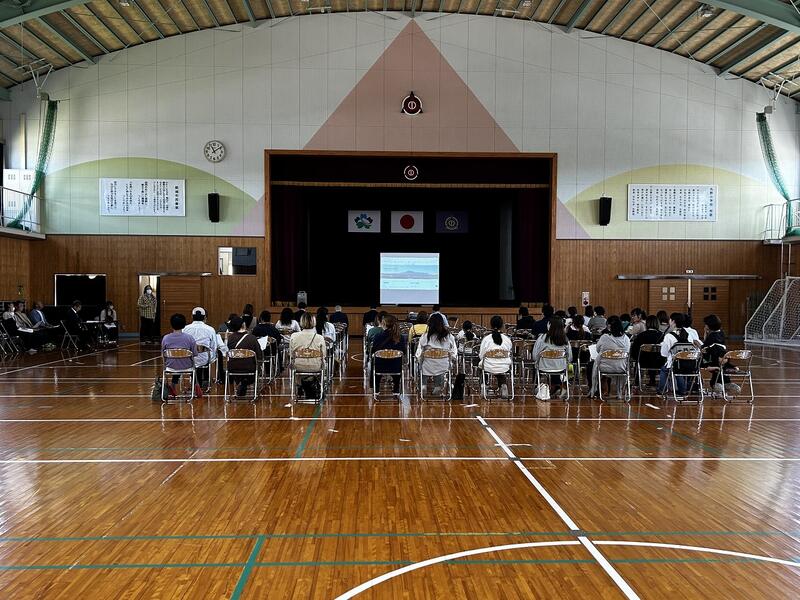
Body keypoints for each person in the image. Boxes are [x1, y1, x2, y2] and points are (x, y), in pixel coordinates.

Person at [415, 313, 458, 396]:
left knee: (423, 364)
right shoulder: (449, 336)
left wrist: (419, 359)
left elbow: (419, 352)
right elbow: (454, 352)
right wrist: (452, 358)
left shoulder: (425, 336)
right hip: (444, 365)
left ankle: (423, 385)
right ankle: (438, 387)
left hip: (428, 365)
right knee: (440, 367)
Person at [161, 313, 201, 398]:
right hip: (187, 366)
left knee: (177, 363)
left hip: (170, 366)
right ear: (184, 325)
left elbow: (163, 354)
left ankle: (173, 384)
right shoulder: (189, 338)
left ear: (171, 324)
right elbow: (195, 354)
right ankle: (196, 386)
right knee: (190, 366)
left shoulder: (165, 338)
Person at [532, 317, 572, 399]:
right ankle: (559, 386)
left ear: (549, 325)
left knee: (538, 366)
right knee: (557, 366)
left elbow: (535, 356)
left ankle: (539, 387)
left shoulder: (542, 338)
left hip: (544, 367)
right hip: (561, 368)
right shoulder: (565, 339)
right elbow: (570, 357)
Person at [289, 312, 327, 398]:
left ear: (301, 322)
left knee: (293, 364)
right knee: (324, 364)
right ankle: (315, 384)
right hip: (316, 366)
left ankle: (299, 385)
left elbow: (291, 354)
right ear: (314, 322)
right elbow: (324, 355)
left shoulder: (294, 336)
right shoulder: (320, 337)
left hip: (299, 366)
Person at [658, 312, 696, 398]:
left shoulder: (669, 336)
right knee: (679, 369)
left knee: (664, 369)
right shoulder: (689, 334)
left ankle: (661, 390)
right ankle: (682, 390)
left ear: (673, 321)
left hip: (675, 364)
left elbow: (664, 354)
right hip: (689, 363)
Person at [591, 316, 630, 398]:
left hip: (605, 367)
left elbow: (598, 349)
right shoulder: (626, 339)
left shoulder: (604, 337)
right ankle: (617, 391)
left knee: (591, 365)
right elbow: (628, 351)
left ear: (609, 326)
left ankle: (596, 389)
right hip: (621, 367)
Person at [225, 315, 263, 398]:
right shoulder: (252, 338)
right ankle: (245, 382)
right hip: (249, 368)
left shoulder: (230, 338)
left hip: (233, 368)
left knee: (238, 364)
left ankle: (242, 382)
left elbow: (226, 352)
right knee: (256, 367)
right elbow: (259, 355)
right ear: (243, 325)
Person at [700, 314, 738, 395]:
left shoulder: (712, 336)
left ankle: (715, 384)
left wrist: (705, 335)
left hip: (712, 361)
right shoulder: (721, 333)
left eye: (705, 324)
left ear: (708, 326)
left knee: (701, 361)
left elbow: (704, 348)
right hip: (724, 358)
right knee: (721, 368)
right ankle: (726, 383)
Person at [183, 307, 218, 390]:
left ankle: (196, 381)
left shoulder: (185, 329)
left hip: (189, 358)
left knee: (194, 359)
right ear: (204, 317)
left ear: (192, 316)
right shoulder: (210, 329)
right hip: (205, 358)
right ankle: (205, 379)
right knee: (209, 355)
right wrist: (212, 358)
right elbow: (214, 346)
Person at [372, 314, 406, 396]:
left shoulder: (377, 336)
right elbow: (403, 351)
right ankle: (396, 388)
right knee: (398, 361)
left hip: (380, 366)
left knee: (375, 362)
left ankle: (376, 388)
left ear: (383, 324)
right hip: (396, 367)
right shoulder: (400, 337)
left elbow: (373, 351)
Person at [479, 316, 513, 399]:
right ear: (502, 326)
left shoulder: (486, 339)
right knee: (500, 369)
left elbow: (481, 355)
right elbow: (509, 352)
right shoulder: (507, 339)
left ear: (491, 325)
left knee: (481, 366)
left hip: (489, 365)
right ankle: (503, 385)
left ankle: (484, 385)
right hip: (504, 366)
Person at [630, 315, 664, 388]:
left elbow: (634, 351)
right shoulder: (662, 335)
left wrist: (636, 358)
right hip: (659, 363)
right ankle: (653, 381)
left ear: (647, 324)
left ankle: (637, 382)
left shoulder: (641, 336)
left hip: (643, 362)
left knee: (639, 360)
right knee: (654, 356)